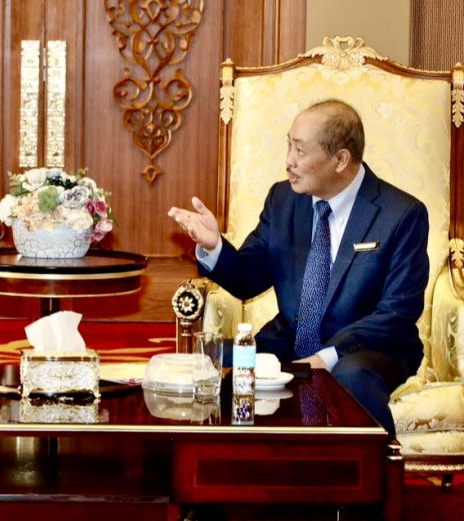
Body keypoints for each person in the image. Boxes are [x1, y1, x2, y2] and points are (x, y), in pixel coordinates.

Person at [168, 99, 428, 437]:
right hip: (291, 341)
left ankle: (375, 469)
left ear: (340, 160)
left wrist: (328, 356)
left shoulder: (401, 214)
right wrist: (214, 245)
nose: (289, 160)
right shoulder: (283, 199)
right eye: (289, 145)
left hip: (368, 348)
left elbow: (397, 313)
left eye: (300, 150)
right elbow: (248, 278)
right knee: (214, 361)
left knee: (351, 376)